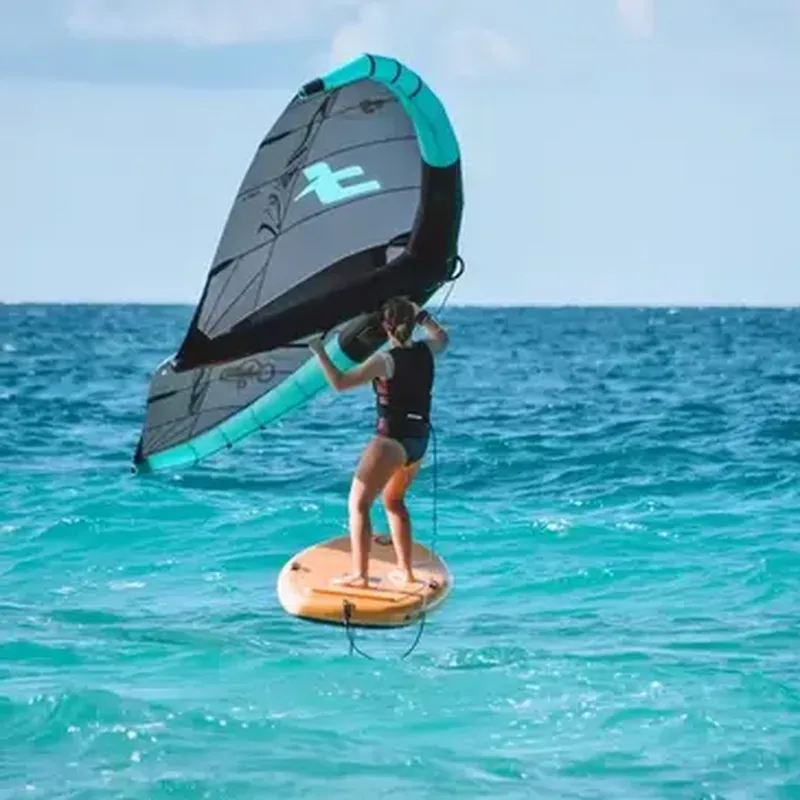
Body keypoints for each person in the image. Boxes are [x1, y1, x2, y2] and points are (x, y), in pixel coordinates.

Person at [308, 297, 449, 588]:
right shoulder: (427, 350)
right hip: (419, 441)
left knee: (358, 504)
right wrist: (423, 316)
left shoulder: (385, 360)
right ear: (411, 323)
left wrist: (319, 351)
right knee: (394, 502)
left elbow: (340, 383)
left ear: (385, 326)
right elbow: (443, 337)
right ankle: (406, 573)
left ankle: (360, 576)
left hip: (391, 441)